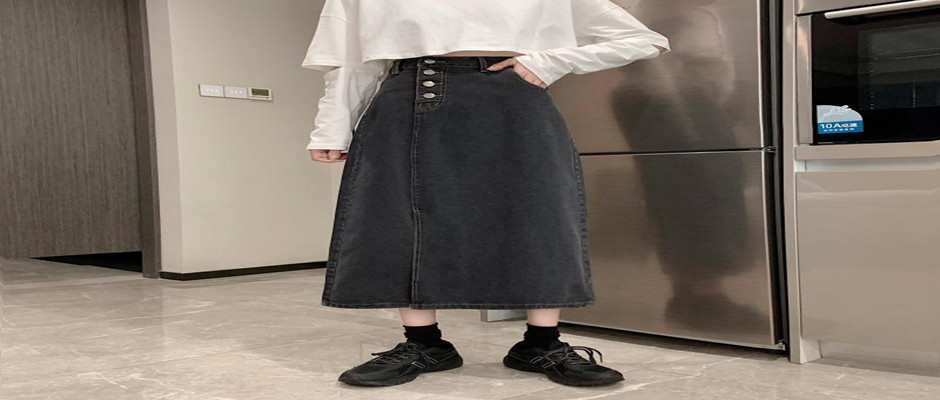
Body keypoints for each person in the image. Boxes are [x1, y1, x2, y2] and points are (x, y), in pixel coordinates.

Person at [303, 0, 669, 387]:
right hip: (410, 92)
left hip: (514, 98)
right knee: (401, 218)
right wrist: (332, 127)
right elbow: (351, 60)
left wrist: (550, 62)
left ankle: (541, 343)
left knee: (539, 216)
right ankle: (424, 343)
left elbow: (644, 39)